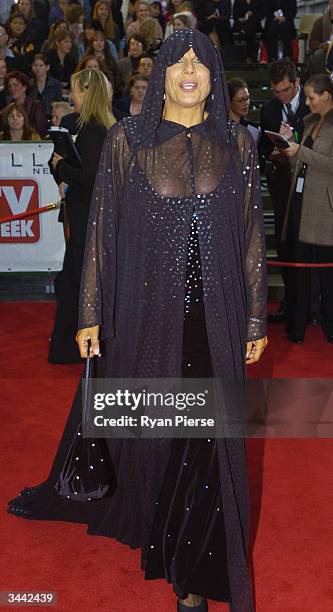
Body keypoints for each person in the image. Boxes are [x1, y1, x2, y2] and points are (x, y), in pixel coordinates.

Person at [7, 30, 267, 612]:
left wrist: (254, 318)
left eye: (201, 62)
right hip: (149, 317)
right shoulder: (129, 141)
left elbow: (252, 234)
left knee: (211, 440)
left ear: (214, 76)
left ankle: (195, 574)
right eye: (180, 61)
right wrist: (91, 312)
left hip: (218, 319)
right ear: (164, 77)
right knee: (163, 433)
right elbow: (100, 231)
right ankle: (166, 538)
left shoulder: (238, 144)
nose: (190, 70)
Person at [47, 68, 116, 363]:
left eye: (75, 89)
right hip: (92, 216)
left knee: (78, 280)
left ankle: (71, 348)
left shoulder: (92, 131)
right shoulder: (104, 127)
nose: (71, 95)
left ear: (87, 92)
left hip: (88, 216)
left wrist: (61, 167)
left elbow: (88, 177)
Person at [280, 74, 333, 344]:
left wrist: (299, 149)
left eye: (312, 97)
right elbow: (301, 166)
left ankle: (329, 325)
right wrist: (290, 149)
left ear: (327, 95)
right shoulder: (310, 122)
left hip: (324, 208)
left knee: (327, 273)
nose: (309, 102)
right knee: (301, 269)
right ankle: (299, 325)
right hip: (300, 202)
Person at [259, 60, 308, 324]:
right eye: (276, 91)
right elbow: (263, 149)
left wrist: (296, 145)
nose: (281, 96)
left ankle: (311, 304)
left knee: (309, 248)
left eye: (285, 90)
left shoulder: (312, 105)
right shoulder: (269, 109)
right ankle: (290, 302)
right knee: (285, 243)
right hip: (281, 185)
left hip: (310, 185)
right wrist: (276, 152)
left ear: (297, 83)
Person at [5, 69, 48, 135]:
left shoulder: (36, 106)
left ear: (24, 87)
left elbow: (41, 130)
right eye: (10, 86)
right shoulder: (8, 108)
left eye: (15, 85)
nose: (12, 89)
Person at [228, 77, 260, 143]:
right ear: (229, 102)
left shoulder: (252, 129)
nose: (246, 103)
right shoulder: (220, 127)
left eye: (247, 98)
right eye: (241, 100)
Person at [30, 53, 63, 119]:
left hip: (50, 118)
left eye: (41, 65)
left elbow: (59, 104)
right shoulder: (29, 84)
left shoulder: (55, 84)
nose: (37, 68)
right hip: (32, 118)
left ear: (47, 67)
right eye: (35, 65)